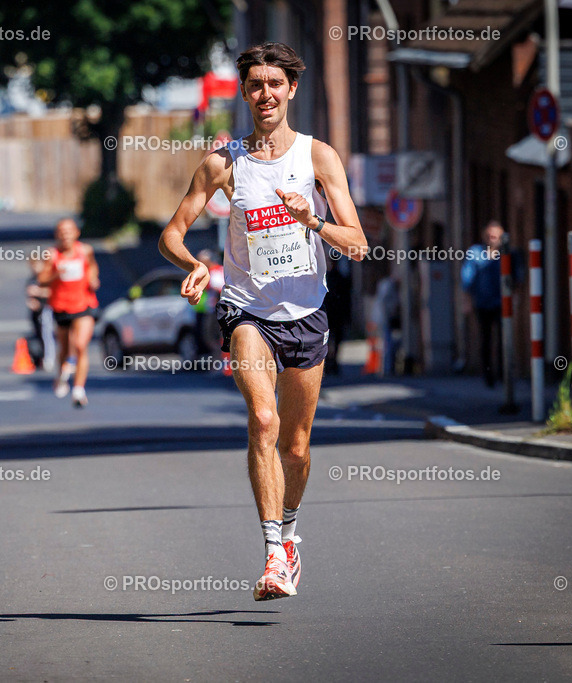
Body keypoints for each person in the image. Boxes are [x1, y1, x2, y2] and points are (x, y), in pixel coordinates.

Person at [159, 42, 368, 600]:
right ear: (245, 93)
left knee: (296, 446)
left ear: (291, 89)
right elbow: (171, 233)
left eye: (275, 83)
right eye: (255, 85)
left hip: (307, 313)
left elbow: (359, 245)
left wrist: (315, 221)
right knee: (264, 421)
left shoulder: (318, 158)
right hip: (247, 311)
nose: (265, 94)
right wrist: (196, 265)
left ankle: (292, 536)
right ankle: (273, 552)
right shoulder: (224, 163)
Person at [38, 218, 99, 408]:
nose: (65, 235)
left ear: (76, 233)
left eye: (69, 231)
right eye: (61, 232)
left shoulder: (85, 251)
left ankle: (79, 389)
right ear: (57, 235)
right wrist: (57, 274)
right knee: (64, 349)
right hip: (61, 305)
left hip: (84, 304)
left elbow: (92, 267)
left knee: (81, 346)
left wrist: (93, 278)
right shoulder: (52, 254)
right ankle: (62, 374)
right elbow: (41, 279)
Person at [461, 221, 504, 387]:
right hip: (482, 303)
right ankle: (488, 376)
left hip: (501, 302)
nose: (492, 239)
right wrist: (467, 301)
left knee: (502, 339)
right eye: (490, 236)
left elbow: (515, 278)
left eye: (496, 236)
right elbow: (467, 278)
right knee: (486, 340)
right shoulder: (475, 252)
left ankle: (502, 373)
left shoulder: (506, 253)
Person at [193, 249, 225, 359]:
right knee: (208, 335)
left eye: (201, 260)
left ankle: (220, 358)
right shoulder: (209, 271)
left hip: (216, 309)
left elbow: (218, 289)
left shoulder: (216, 270)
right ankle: (217, 357)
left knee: (213, 335)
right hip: (208, 308)